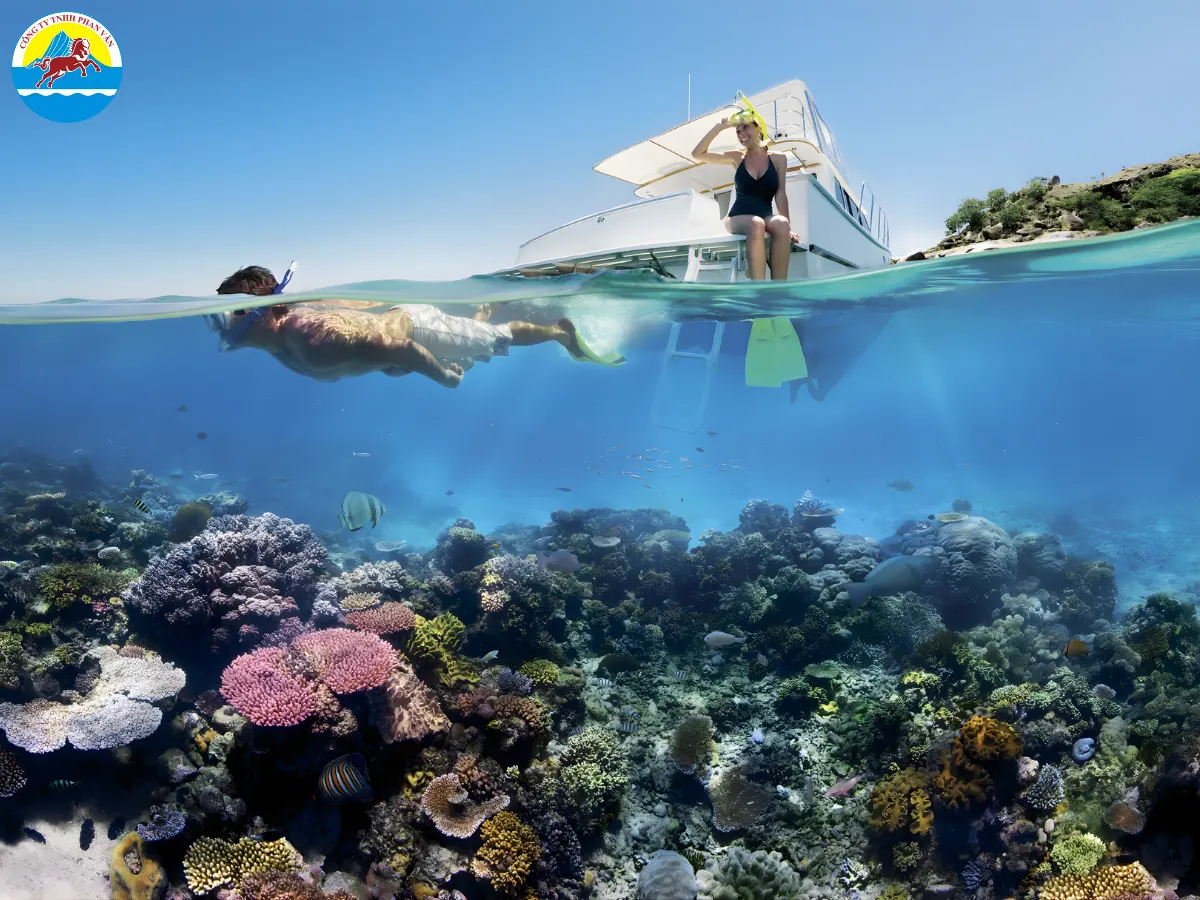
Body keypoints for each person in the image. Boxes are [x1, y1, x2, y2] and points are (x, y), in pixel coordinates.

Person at [209, 265, 623, 386]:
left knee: (494, 341)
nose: (220, 325)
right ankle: (478, 311)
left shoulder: (311, 338)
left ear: (263, 312)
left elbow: (401, 347)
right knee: (472, 344)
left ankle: (561, 332)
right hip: (397, 345)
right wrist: (384, 364)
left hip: (417, 331)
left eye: (229, 314)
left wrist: (444, 379)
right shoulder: (281, 345)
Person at [691, 109, 800, 281]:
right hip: (737, 217)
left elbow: (780, 194)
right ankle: (758, 289)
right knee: (756, 224)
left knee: (782, 223)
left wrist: (788, 229)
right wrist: (718, 128)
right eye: (738, 132)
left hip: (765, 215)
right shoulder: (736, 157)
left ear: (759, 128)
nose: (741, 135)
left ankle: (779, 289)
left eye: (745, 128)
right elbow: (697, 154)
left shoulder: (779, 159)